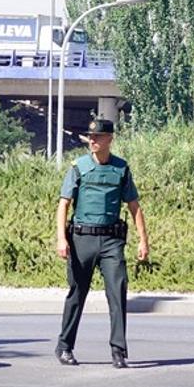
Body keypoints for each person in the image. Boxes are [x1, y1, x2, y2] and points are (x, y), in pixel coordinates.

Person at [54, 118, 150, 369]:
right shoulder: (78, 167)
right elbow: (63, 204)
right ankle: (64, 346)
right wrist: (61, 239)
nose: (93, 141)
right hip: (82, 239)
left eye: (98, 137)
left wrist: (143, 240)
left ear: (110, 139)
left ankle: (118, 350)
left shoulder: (121, 168)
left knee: (118, 293)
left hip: (111, 241)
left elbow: (134, 206)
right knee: (77, 293)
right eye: (90, 137)